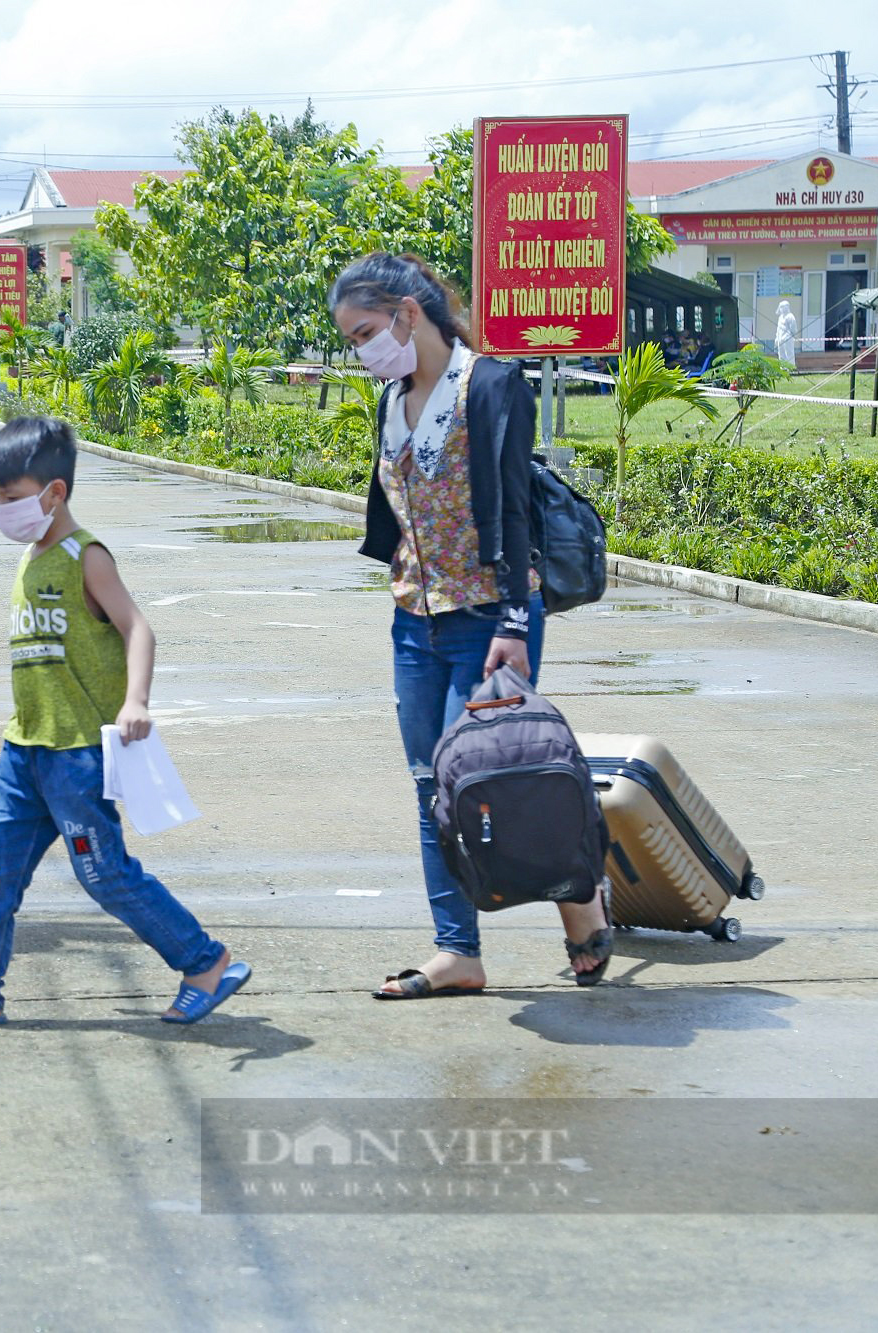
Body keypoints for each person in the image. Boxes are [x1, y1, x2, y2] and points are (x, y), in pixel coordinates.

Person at [328, 253, 612, 999]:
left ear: (407, 314)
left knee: (495, 782)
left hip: (491, 619)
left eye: (365, 332)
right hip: (414, 624)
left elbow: (513, 508)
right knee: (432, 790)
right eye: (352, 340)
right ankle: (459, 951)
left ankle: (579, 902)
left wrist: (516, 622)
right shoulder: (394, 398)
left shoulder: (490, 386)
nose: (361, 351)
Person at [0, 418, 250, 1029]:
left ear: (54, 492)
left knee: (104, 875)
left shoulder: (83, 555)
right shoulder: (29, 558)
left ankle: (206, 962)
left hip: (77, 755)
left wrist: (136, 700)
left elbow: (138, 627)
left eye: (10, 498)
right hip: (24, 749)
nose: (1, 510)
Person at [774, 299, 799, 368]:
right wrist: (777, 338)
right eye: (781, 307)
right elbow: (778, 329)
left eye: (783, 307)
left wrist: (792, 336)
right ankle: (783, 368)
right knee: (781, 354)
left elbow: (793, 329)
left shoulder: (790, 317)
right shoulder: (780, 317)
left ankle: (791, 368)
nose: (782, 308)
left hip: (787, 338)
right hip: (780, 338)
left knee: (789, 354)